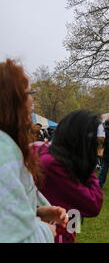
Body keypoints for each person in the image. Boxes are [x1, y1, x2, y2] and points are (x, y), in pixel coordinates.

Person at [0, 59, 68, 243]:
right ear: (12, 101)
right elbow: (12, 236)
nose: (33, 101)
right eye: (29, 93)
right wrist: (46, 231)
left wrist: (37, 211)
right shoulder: (3, 150)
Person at [38, 110, 104, 243]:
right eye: (95, 145)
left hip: (67, 225)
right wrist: (88, 166)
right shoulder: (53, 163)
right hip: (54, 232)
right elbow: (93, 204)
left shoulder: (58, 157)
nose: (99, 152)